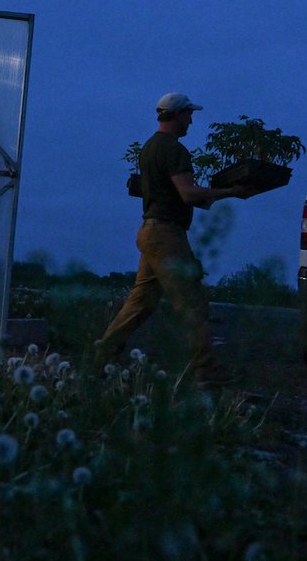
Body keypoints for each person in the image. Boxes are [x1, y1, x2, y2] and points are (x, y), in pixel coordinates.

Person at [95, 92, 256, 387]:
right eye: (189, 114)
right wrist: (230, 192)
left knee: (140, 302)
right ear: (178, 114)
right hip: (166, 235)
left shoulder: (149, 148)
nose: (192, 120)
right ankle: (205, 372)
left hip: (151, 232)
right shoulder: (174, 150)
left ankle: (100, 356)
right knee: (193, 302)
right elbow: (188, 193)